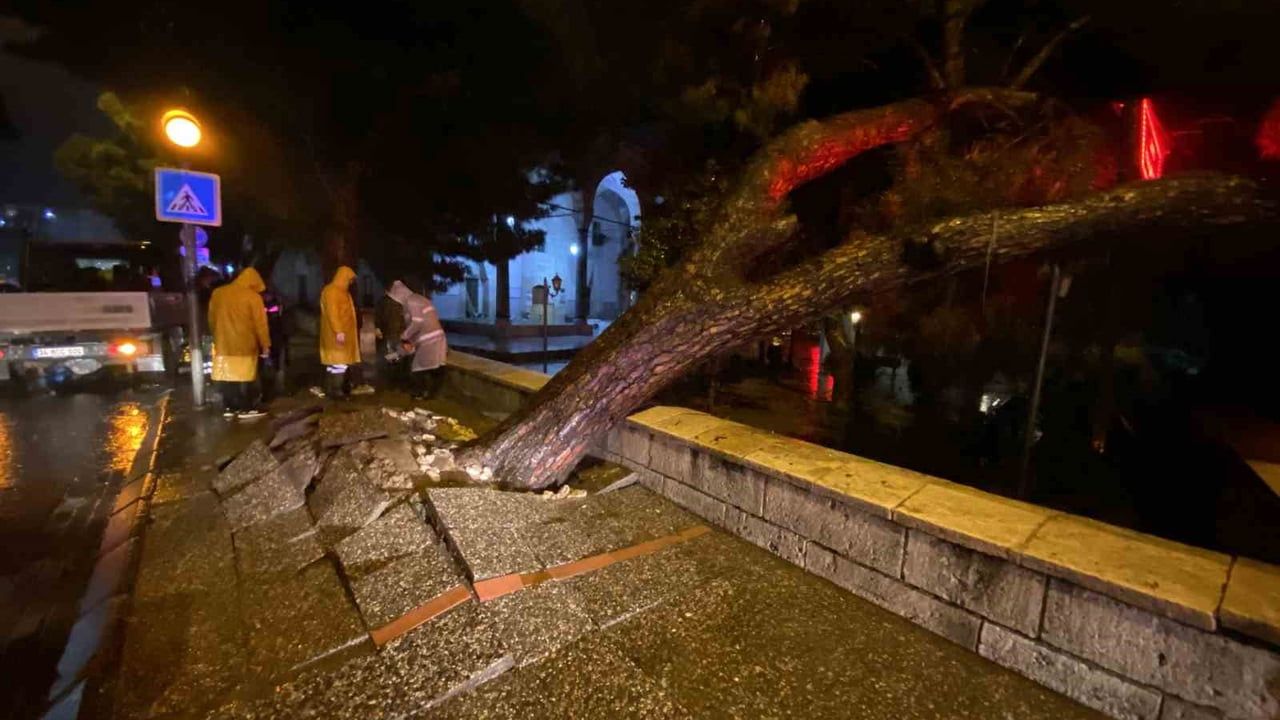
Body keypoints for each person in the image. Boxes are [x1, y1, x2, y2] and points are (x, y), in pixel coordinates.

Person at [208, 267, 270, 419]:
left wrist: (216, 336)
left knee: (227, 376)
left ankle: (229, 407)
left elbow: (211, 318)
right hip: (244, 343)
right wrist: (265, 344)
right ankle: (247, 408)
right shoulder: (253, 297)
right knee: (246, 376)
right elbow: (260, 324)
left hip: (223, 344)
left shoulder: (218, 293)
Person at [387, 280, 447, 398]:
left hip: (429, 340)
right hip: (436, 338)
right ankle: (432, 394)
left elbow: (417, 323)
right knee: (434, 367)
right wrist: (407, 346)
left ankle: (421, 394)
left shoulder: (411, 301)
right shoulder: (419, 299)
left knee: (418, 368)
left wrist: (404, 336)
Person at [319, 265, 360, 399]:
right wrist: (339, 331)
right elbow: (333, 313)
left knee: (334, 363)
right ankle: (336, 391)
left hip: (339, 334)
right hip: (337, 335)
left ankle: (331, 390)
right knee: (339, 363)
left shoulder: (339, 291)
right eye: (350, 280)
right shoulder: (333, 291)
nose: (351, 282)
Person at [376, 280, 409, 386]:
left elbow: (378, 316)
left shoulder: (384, 301)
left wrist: (378, 328)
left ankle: (391, 379)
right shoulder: (403, 302)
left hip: (390, 334)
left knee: (391, 356)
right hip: (398, 334)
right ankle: (397, 380)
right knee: (398, 356)